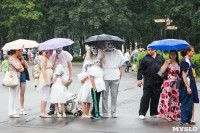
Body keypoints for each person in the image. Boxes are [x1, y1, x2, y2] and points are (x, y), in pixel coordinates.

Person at [137, 47, 165, 120]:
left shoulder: (160, 57)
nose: (149, 51)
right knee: (146, 97)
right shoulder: (144, 58)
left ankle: (154, 113)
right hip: (148, 80)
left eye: (151, 50)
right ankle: (142, 113)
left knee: (156, 97)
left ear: (155, 49)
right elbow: (140, 70)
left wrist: (163, 77)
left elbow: (164, 68)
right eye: (148, 50)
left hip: (158, 80)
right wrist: (139, 79)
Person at [100, 41, 125, 118]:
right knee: (105, 96)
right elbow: (100, 65)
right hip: (105, 75)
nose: (110, 45)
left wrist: (120, 73)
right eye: (108, 44)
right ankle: (105, 112)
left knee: (114, 95)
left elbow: (121, 64)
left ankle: (113, 112)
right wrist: (101, 59)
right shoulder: (102, 52)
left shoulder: (118, 52)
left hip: (115, 75)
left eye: (111, 44)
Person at [48, 47, 73, 115]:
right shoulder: (53, 55)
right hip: (55, 74)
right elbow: (52, 66)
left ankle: (65, 109)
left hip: (64, 75)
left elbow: (69, 65)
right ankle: (52, 109)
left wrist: (70, 76)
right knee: (54, 92)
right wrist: (56, 59)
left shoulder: (65, 54)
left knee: (64, 91)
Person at [158, 50, 181, 122]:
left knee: (175, 99)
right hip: (168, 83)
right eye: (172, 54)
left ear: (177, 55)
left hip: (176, 84)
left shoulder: (178, 63)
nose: (173, 56)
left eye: (174, 54)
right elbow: (161, 72)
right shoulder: (167, 62)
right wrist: (166, 64)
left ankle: (175, 115)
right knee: (168, 98)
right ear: (170, 55)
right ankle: (167, 115)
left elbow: (180, 73)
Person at [179, 46, 196, 127]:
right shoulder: (185, 61)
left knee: (189, 103)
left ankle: (188, 120)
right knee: (185, 103)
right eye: (192, 51)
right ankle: (184, 121)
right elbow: (184, 75)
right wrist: (188, 87)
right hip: (187, 85)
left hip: (191, 84)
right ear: (188, 52)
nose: (193, 52)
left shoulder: (188, 60)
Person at [8, 49, 24, 118]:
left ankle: (14, 110)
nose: (21, 52)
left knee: (16, 95)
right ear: (16, 51)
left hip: (17, 78)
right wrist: (18, 68)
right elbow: (18, 67)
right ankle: (11, 112)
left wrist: (18, 68)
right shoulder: (11, 58)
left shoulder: (17, 59)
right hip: (12, 78)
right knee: (12, 95)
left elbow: (22, 69)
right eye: (20, 51)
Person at [37, 50, 53, 118]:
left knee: (46, 95)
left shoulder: (48, 59)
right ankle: (42, 112)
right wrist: (46, 81)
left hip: (48, 77)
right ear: (46, 52)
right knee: (45, 95)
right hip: (45, 78)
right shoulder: (44, 59)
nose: (51, 53)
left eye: (51, 52)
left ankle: (43, 112)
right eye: (50, 52)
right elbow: (43, 70)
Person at [190, 59, 199, 124]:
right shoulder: (183, 63)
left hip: (192, 83)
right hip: (189, 84)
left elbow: (194, 74)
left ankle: (192, 117)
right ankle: (191, 118)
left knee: (191, 101)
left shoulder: (191, 64)